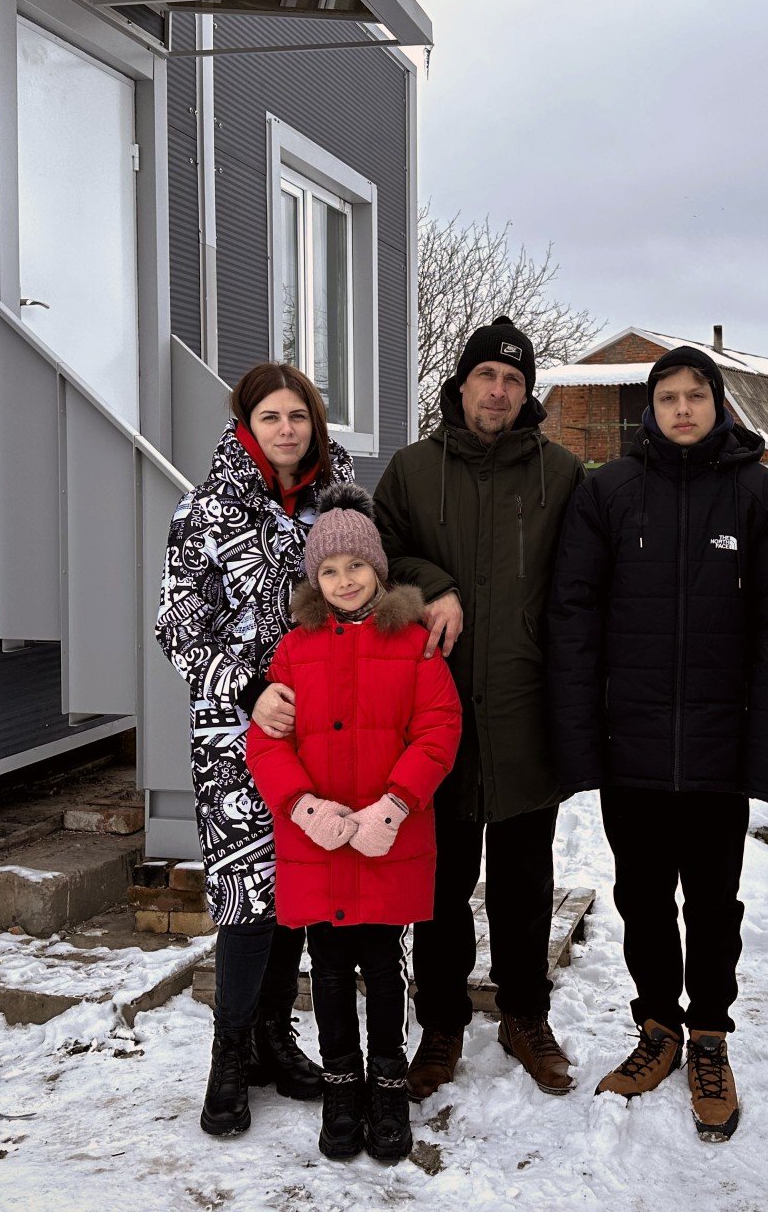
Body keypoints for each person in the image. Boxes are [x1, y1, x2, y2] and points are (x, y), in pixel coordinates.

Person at [546, 344, 768, 1143]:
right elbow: (574, 619)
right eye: (668, 397)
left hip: (717, 751)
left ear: (718, 403)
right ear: (650, 409)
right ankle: (658, 1027)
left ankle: (710, 1038)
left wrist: (766, 753)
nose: (683, 409)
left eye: (697, 395)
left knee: (713, 904)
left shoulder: (759, 497)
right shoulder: (612, 492)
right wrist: (583, 743)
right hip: (632, 744)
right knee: (642, 899)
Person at [371, 316, 586, 1099]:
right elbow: (377, 549)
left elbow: (585, 580)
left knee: (526, 882)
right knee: (440, 881)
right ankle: (442, 1023)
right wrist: (436, 585)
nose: (498, 390)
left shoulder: (560, 474)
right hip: (436, 712)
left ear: (526, 395)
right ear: (460, 385)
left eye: (514, 380)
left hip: (528, 708)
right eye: (486, 376)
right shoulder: (411, 471)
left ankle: (527, 1016)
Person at [153, 362, 351, 1138]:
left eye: (297, 415)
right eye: (270, 417)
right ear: (246, 424)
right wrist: (244, 690)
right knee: (245, 897)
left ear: (315, 424)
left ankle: (274, 1036)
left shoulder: (337, 510)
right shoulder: (205, 510)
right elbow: (177, 625)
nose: (286, 429)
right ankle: (229, 1054)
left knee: (298, 889)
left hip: (324, 732)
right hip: (235, 738)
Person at [246, 484, 463, 1163]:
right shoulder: (294, 649)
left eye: (356, 566)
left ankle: (387, 1082)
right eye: (330, 569)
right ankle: (342, 1082)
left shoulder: (414, 645)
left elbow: (438, 730)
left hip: (385, 838)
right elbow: (267, 740)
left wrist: (396, 805)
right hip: (318, 842)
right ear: (316, 579)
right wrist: (304, 808)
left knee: (383, 963)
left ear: (378, 570)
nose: (344, 580)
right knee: (330, 966)